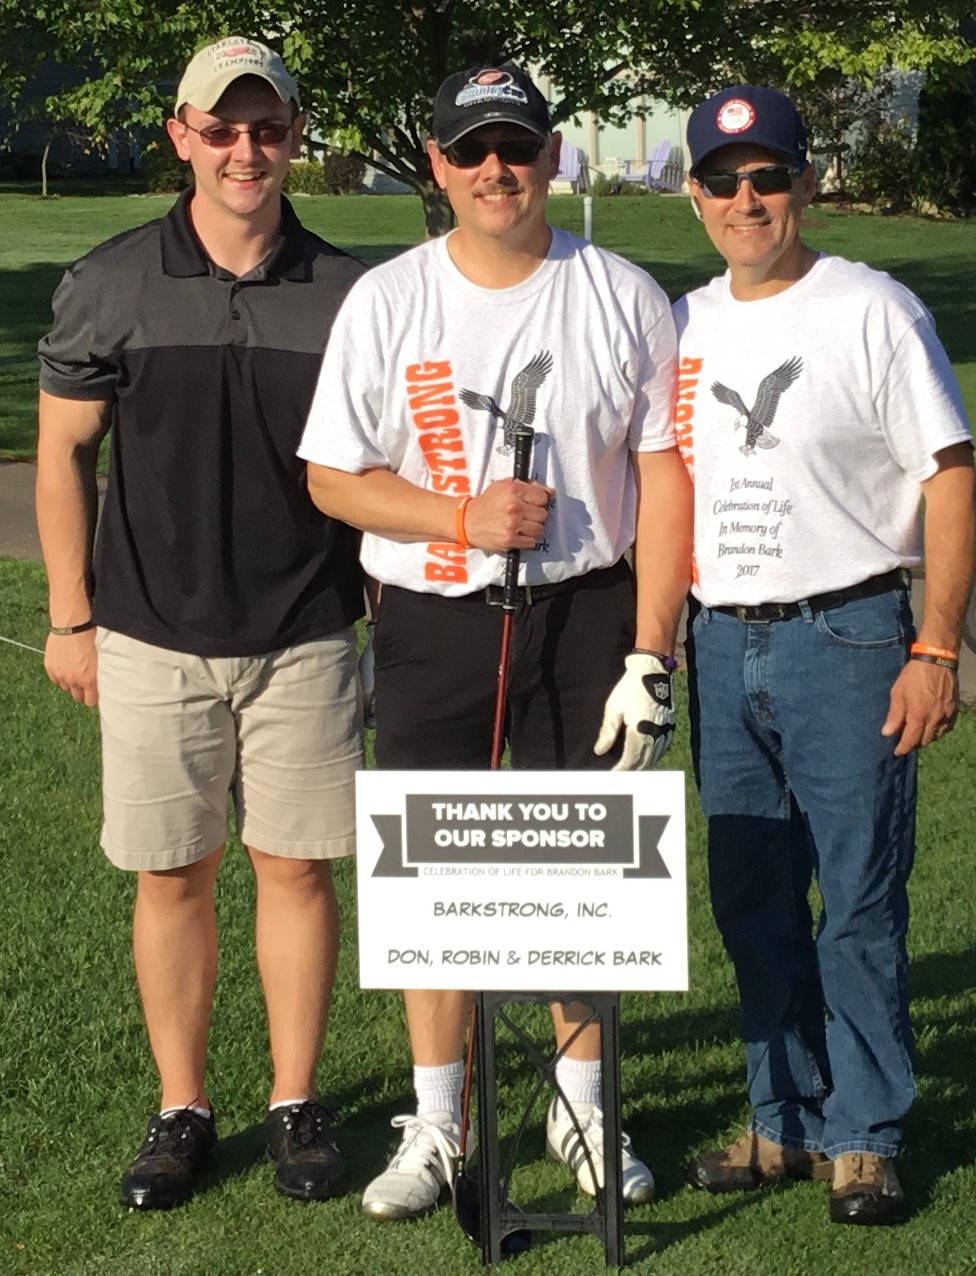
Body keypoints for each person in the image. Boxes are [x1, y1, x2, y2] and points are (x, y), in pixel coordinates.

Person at [298, 64, 692, 1221]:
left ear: (554, 153)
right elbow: (332, 475)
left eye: (515, 146)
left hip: (588, 621)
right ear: (436, 163)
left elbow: (663, 477)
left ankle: (580, 1101)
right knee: (429, 873)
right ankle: (439, 1119)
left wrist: (651, 649)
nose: (494, 170)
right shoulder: (389, 299)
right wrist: (459, 519)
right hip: (430, 616)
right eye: (470, 150)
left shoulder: (622, 293)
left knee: (585, 873)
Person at [35, 37, 365, 1210]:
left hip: (308, 628)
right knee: (171, 874)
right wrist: (69, 616)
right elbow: (65, 455)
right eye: (220, 128)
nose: (245, 150)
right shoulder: (110, 280)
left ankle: (294, 1100)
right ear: (180, 134)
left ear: (293, 136)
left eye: (266, 127)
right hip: (147, 634)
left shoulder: (349, 292)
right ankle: (181, 1106)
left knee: (297, 870)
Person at [674, 84, 976, 1225]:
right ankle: (778, 1117)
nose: (747, 199)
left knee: (855, 896)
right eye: (723, 178)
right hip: (718, 637)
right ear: (695, 192)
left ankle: (863, 1131)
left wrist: (936, 645)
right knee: (749, 893)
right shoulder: (686, 324)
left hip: (850, 634)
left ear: (806, 181)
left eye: (768, 175)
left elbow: (949, 477)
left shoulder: (873, 308)